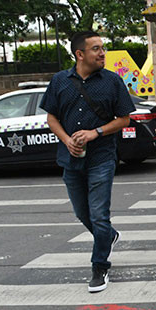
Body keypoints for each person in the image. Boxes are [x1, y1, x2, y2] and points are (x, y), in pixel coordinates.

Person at [40, 31, 135, 293]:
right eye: (96, 49)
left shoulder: (112, 81)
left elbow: (124, 119)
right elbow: (51, 118)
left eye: (102, 48)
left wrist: (96, 132)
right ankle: (109, 237)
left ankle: (99, 267)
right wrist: (66, 139)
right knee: (82, 213)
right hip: (70, 159)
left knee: (99, 215)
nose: (102, 53)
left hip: (102, 158)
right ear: (80, 54)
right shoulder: (60, 81)